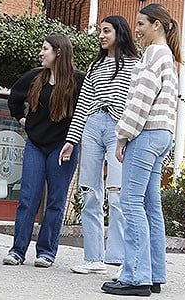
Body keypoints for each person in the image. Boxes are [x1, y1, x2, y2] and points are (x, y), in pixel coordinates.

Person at [102, 3, 179, 297]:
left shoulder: (153, 54)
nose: (137, 30)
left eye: (141, 24)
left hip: (145, 134)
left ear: (157, 25)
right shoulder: (168, 56)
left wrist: (122, 136)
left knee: (131, 203)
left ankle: (136, 277)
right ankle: (154, 274)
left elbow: (140, 100)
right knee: (150, 205)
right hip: (163, 134)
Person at [60, 16, 139, 275]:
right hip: (93, 125)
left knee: (117, 195)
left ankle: (117, 259)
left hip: (119, 128)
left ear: (120, 33)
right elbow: (83, 103)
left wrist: (128, 134)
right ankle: (93, 258)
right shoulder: (95, 66)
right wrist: (71, 140)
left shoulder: (135, 65)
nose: (101, 36)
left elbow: (135, 103)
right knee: (90, 193)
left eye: (107, 31)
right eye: (100, 31)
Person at [2, 34, 84, 268]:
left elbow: (84, 112)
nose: (41, 53)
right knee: (28, 198)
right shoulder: (35, 77)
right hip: (35, 145)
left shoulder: (78, 81)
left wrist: (74, 140)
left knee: (56, 201)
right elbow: (14, 99)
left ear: (59, 52)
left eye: (45, 48)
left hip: (63, 147)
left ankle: (46, 252)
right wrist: (23, 119)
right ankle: (17, 251)